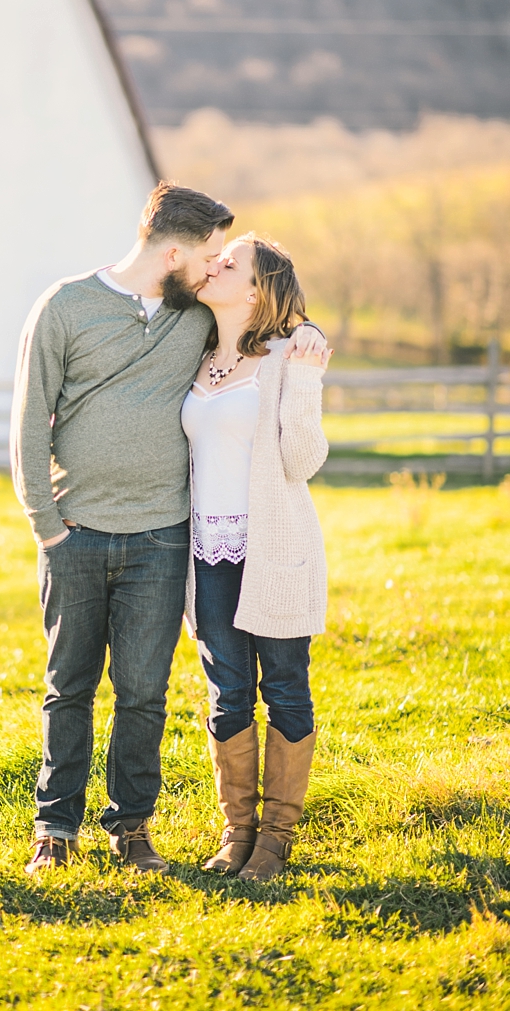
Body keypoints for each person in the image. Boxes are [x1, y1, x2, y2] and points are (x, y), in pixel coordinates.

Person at [11, 185, 327, 875]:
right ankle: (62, 830)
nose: (214, 268)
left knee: (157, 691)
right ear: (179, 251)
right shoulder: (88, 312)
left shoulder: (237, 336)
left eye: (226, 262)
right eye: (211, 256)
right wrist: (46, 525)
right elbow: (32, 422)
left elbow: (291, 406)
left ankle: (166, 831)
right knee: (78, 686)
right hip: (108, 536)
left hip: (188, 542)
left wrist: (306, 348)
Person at [182, 232, 330, 881]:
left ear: (255, 288)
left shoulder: (285, 357)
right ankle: (236, 831)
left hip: (273, 551)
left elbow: (304, 460)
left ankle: (274, 839)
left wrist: (304, 378)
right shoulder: (191, 354)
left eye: (229, 261)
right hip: (208, 550)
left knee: (287, 689)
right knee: (226, 693)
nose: (214, 264)